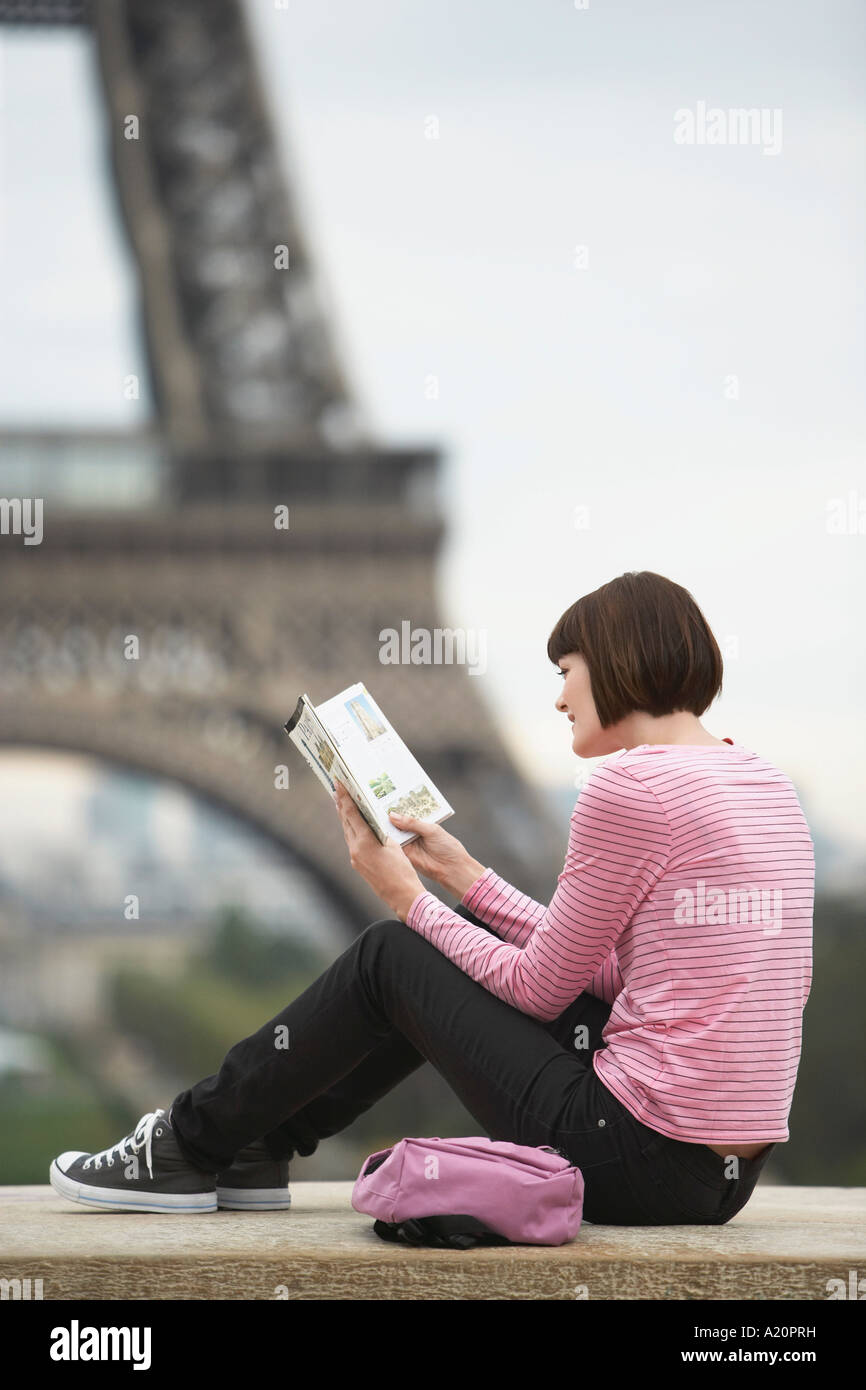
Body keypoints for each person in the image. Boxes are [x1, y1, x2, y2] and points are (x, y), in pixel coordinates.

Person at [49, 570, 814, 1225]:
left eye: (564, 670)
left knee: (394, 953)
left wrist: (406, 897)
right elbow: (623, 980)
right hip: (720, 1178)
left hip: (631, 1153)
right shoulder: (764, 785)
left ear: (616, 661)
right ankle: (255, 1142)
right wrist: (465, 878)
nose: (558, 699)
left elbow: (542, 990)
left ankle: (187, 1145)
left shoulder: (627, 787)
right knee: (466, 932)